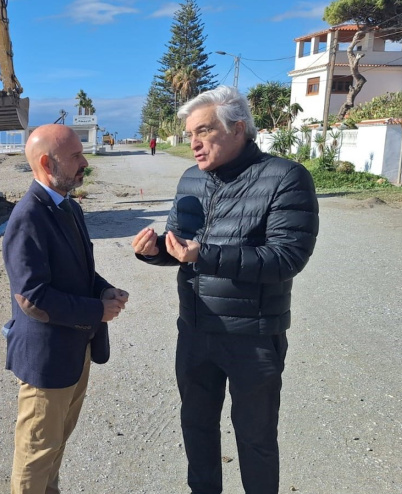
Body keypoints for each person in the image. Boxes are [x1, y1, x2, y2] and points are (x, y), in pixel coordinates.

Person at [131, 86, 319, 494]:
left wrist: (207, 255)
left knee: (256, 440)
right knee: (196, 429)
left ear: (237, 128)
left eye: (204, 131)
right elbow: (181, 247)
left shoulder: (286, 177)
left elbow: (287, 258)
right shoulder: (190, 179)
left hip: (253, 337)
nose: (193, 143)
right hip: (196, 331)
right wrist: (153, 252)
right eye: (190, 133)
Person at [3, 123, 129, 493]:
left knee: (56, 442)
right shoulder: (28, 217)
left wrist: (104, 290)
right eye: (75, 156)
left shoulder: (67, 206)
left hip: (75, 352)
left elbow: (77, 268)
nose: (84, 162)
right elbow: (32, 298)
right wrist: (95, 311)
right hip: (47, 361)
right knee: (35, 452)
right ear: (46, 163)